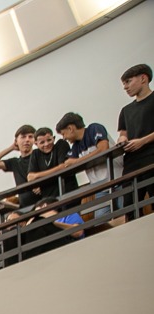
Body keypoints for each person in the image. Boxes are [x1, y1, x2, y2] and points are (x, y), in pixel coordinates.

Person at [117, 64, 154, 220]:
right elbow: (122, 134)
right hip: (132, 163)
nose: (126, 87)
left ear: (143, 78)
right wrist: (122, 140)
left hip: (152, 158)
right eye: (124, 84)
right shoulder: (126, 110)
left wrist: (143, 141)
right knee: (130, 209)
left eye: (128, 81)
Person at [0, 125, 39, 208]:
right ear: (16, 141)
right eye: (23, 137)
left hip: (42, 201)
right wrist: (11, 148)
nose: (27, 140)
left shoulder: (39, 155)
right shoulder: (15, 162)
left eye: (30, 137)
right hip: (25, 206)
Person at [55, 111, 112, 189]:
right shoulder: (76, 146)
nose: (64, 138)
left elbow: (103, 149)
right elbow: (68, 164)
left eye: (63, 134)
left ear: (70, 128)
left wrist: (77, 161)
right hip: (99, 187)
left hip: (116, 179)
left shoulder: (94, 128)